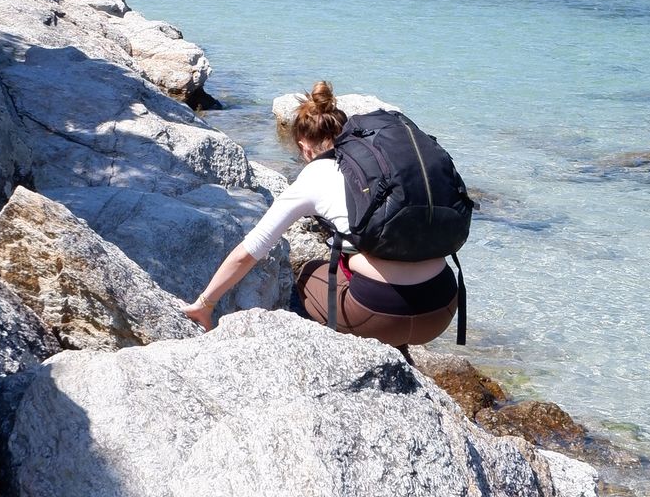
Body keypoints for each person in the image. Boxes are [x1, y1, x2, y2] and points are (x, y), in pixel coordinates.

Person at [181, 80, 463, 348]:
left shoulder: (314, 176)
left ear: (304, 147)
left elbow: (250, 251)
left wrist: (205, 303)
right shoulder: (383, 172)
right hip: (442, 309)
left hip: (380, 317)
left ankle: (346, 347)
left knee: (306, 273)